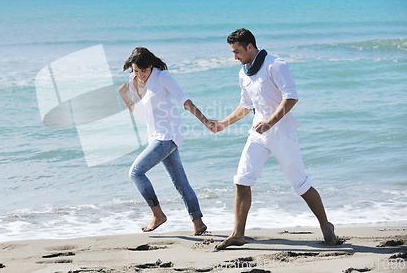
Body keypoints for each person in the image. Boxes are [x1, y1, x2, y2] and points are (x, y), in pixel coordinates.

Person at [210, 28, 339, 250]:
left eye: (237, 51)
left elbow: (291, 97)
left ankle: (327, 227)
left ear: (250, 47)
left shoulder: (276, 65)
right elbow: (246, 105)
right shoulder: (243, 72)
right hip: (257, 134)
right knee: (242, 180)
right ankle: (238, 234)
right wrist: (223, 123)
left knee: (300, 185)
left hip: (282, 134)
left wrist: (270, 121)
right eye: (233, 52)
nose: (235, 57)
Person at [118, 47, 209, 235]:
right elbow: (139, 112)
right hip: (156, 135)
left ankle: (158, 214)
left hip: (167, 135)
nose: (141, 75)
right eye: (136, 70)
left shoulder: (162, 77)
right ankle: (198, 223)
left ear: (151, 66)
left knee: (136, 172)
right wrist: (125, 97)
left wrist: (205, 121)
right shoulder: (132, 81)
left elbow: (184, 100)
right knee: (180, 182)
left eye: (144, 70)